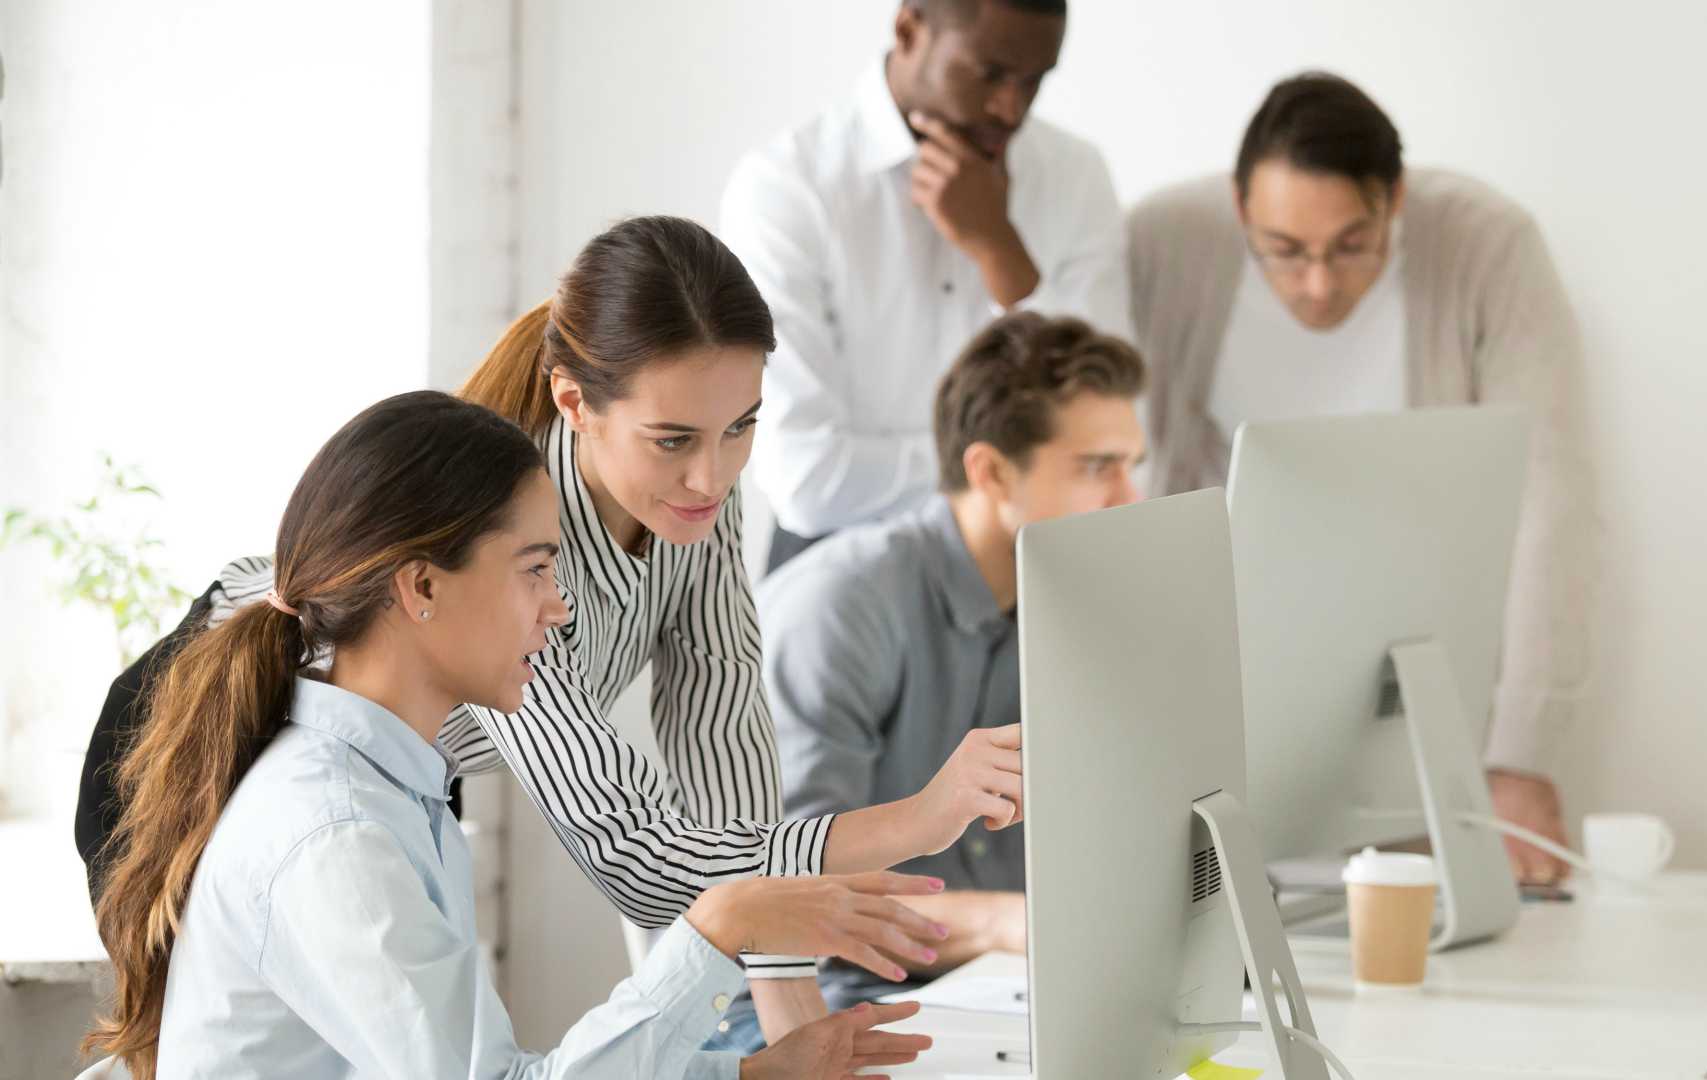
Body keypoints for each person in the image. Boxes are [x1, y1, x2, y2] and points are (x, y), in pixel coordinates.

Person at [76, 217, 1025, 1046]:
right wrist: (916, 819)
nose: (713, 475)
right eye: (673, 439)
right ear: (575, 404)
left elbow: (721, 739)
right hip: (189, 750)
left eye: (742, 427)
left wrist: (791, 1010)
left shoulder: (694, 498)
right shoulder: (522, 549)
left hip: (396, 781)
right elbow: (643, 860)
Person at [82, 391, 945, 1079]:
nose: (559, 607)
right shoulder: (334, 834)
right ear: (422, 587)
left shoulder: (395, 791)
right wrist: (717, 929)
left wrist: (754, 1076)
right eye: (535, 569)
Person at [1128, 72, 1598, 886]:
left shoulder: (1488, 243)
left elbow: (1549, 499)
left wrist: (1521, 754)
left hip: (1414, 685)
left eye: (1352, 247)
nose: (1318, 284)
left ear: (1395, 202)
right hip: (1220, 694)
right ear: (1240, 208)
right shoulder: (1163, 241)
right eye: (1285, 251)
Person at [720, 313, 1145, 1042]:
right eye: (1096, 466)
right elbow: (792, 897)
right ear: (991, 472)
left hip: (995, 997)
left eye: (1131, 464)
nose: (1129, 498)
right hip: (803, 1012)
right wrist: (1011, 923)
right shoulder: (843, 606)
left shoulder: (1076, 602)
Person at [720, 0, 1129, 572]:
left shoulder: (1075, 175)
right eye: (990, 73)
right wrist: (1014, 468)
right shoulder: (787, 190)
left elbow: (1106, 426)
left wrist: (1002, 254)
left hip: (1034, 570)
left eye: (1034, 80)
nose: (1011, 108)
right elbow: (806, 477)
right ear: (909, 29)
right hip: (842, 573)